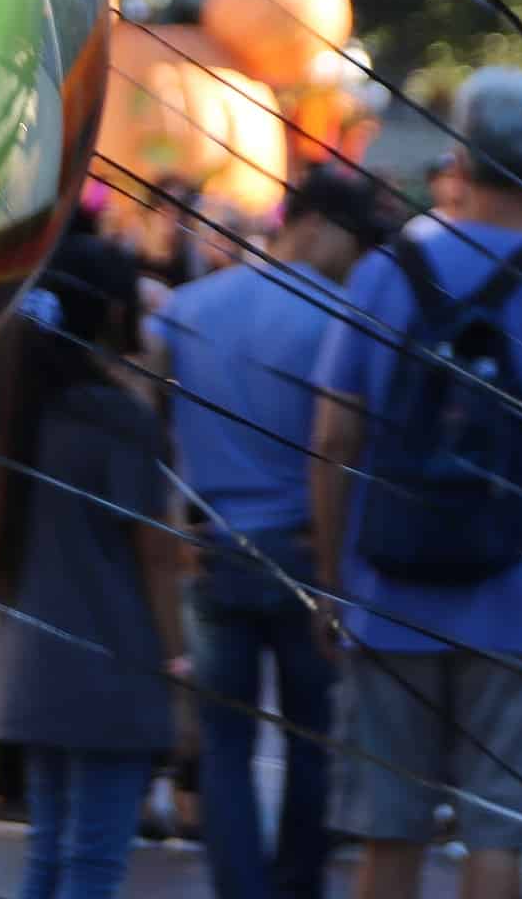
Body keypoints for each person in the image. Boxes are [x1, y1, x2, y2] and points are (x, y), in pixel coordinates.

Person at [312, 67, 522, 899]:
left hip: (391, 596)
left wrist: (332, 583)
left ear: (458, 161)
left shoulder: (384, 275)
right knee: (497, 837)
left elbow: (332, 438)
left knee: (386, 836)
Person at [158, 166, 396, 899]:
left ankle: (239, 887)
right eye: (355, 246)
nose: (360, 267)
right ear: (316, 225)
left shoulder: (184, 309)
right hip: (307, 555)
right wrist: (339, 576)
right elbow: (349, 451)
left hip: (211, 553)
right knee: (314, 743)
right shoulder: (347, 320)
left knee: (224, 744)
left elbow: (156, 435)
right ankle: (297, 886)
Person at [0, 234, 185, 899]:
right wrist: (177, 656)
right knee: (95, 861)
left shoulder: (21, 411)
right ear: (110, 312)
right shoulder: (117, 419)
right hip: (115, 659)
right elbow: (154, 549)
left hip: (34, 664)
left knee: (51, 853)